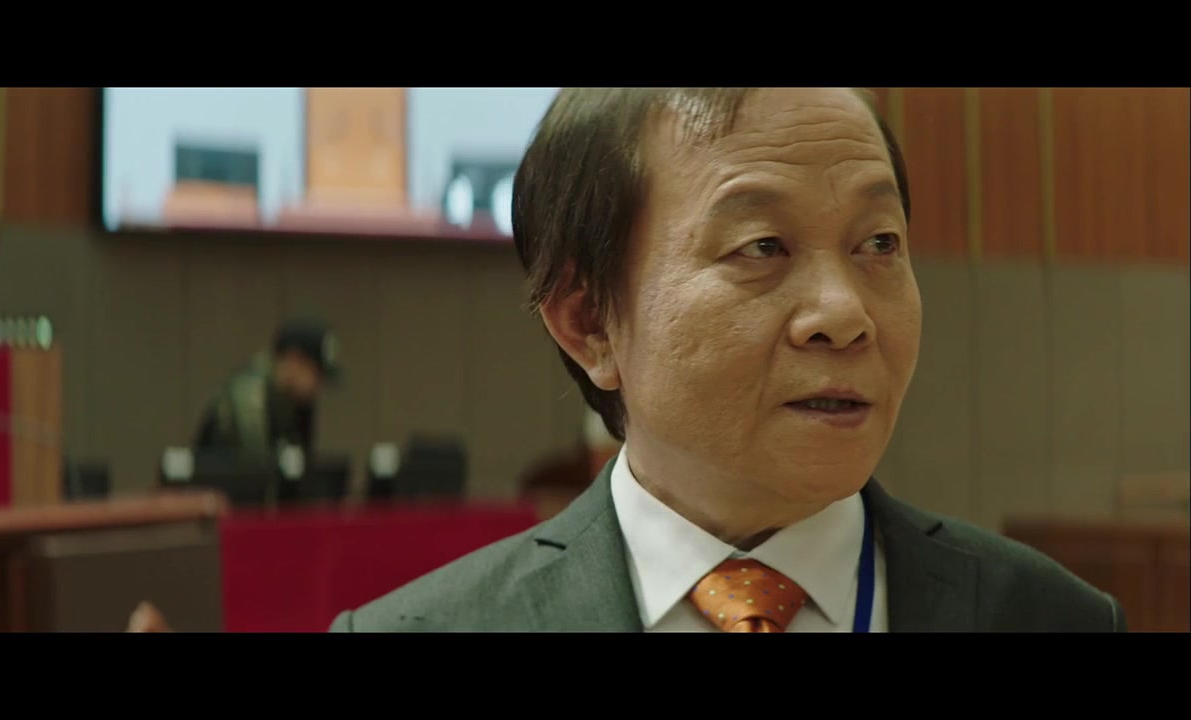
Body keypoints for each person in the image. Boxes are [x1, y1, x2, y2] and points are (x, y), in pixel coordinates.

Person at [329, 88, 1126, 633]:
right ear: (589, 322)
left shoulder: (1054, 618)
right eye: (763, 247)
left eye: (879, 243)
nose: (844, 315)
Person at [193, 318, 340, 465]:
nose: (318, 387)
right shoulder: (248, 398)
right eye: (317, 375)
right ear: (294, 360)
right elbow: (257, 467)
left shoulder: (298, 402)